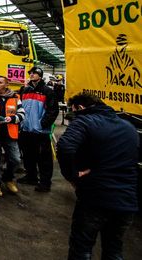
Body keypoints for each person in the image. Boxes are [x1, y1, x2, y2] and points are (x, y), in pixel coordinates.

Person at [57, 92, 138, 260]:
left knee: (81, 249)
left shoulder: (85, 121)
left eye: (73, 112)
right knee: (114, 250)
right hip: (126, 201)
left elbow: (64, 147)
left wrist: (72, 176)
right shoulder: (128, 127)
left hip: (95, 198)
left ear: (80, 108)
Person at [18, 66, 59, 192]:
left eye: (34, 73)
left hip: (40, 132)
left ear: (40, 76)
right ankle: (31, 177)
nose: (31, 75)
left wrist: (41, 125)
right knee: (28, 155)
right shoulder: (24, 90)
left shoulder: (48, 91)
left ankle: (45, 182)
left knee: (44, 159)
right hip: (25, 130)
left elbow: (53, 111)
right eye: (30, 73)